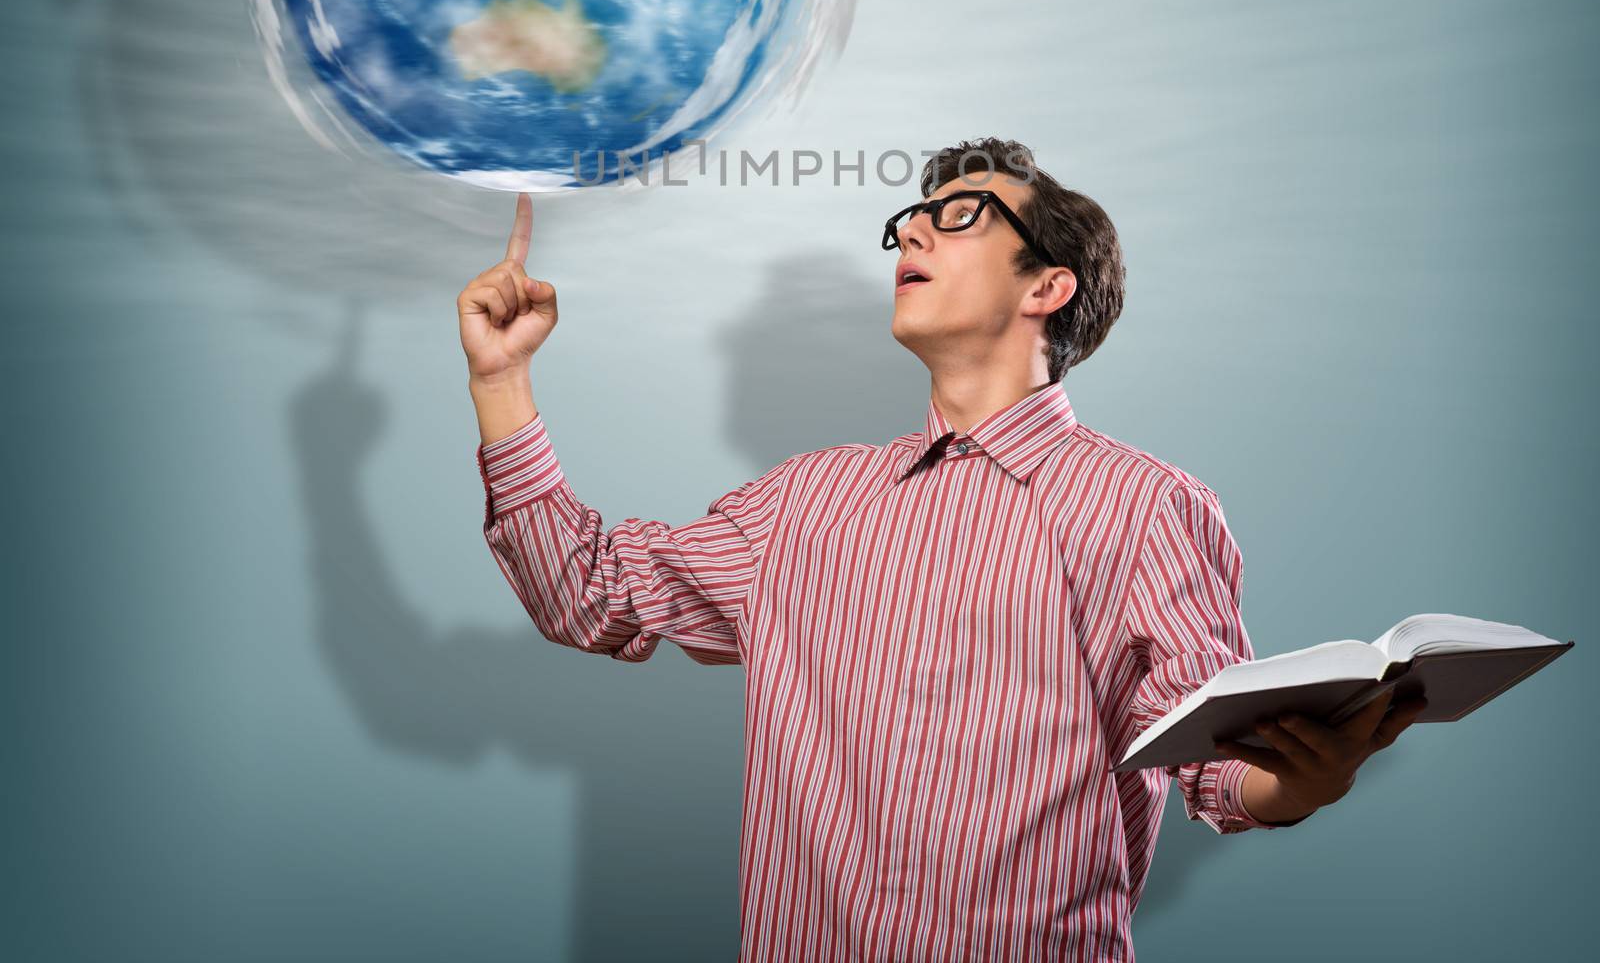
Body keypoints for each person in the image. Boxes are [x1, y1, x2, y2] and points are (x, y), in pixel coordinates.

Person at [458, 136, 1425, 961]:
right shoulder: (805, 503)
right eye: (908, 221)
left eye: (958, 215)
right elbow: (587, 592)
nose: (911, 231)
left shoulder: (1144, 506)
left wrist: (1301, 780)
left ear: (1049, 284)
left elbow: (1211, 757)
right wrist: (502, 381)